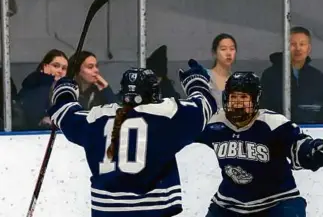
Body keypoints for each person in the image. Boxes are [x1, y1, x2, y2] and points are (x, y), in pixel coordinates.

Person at [47, 59, 218, 217]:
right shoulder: (166, 115)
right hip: (155, 210)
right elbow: (205, 106)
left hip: (107, 211)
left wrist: (65, 91)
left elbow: (65, 114)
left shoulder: (97, 117)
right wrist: (196, 82)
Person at [198, 71, 323, 217]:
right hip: (229, 204)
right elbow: (184, 128)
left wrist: (312, 151)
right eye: (234, 97)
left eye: (244, 97)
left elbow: (297, 145)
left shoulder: (272, 123)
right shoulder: (215, 123)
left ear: (255, 100)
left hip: (277, 202)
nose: (237, 102)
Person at [260, 26, 323, 124]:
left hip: (312, 133)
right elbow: (263, 109)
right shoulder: (270, 75)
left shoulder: (318, 78)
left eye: (302, 44)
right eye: (293, 44)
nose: (298, 48)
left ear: (308, 48)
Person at [18, 49, 68, 130]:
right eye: (55, 66)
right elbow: (35, 116)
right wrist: (46, 79)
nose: (60, 71)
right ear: (45, 67)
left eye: (64, 68)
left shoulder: (65, 90)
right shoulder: (34, 85)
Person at [207, 33, 237, 108]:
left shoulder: (237, 80)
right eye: (223, 49)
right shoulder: (204, 77)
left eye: (232, 49)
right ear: (214, 53)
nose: (228, 53)